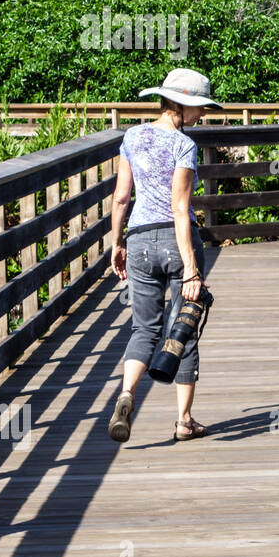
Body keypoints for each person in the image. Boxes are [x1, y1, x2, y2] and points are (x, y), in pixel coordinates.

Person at [106, 68, 223, 443]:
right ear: (179, 105)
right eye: (198, 108)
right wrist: (191, 268)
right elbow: (178, 208)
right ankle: (184, 421)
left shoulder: (132, 136)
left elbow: (122, 197)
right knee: (182, 329)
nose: (202, 114)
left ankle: (126, 394)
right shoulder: (183, 146)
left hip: (138, 241)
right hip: (176, 243)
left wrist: (116, 242)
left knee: (144, 328)